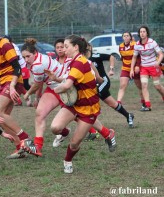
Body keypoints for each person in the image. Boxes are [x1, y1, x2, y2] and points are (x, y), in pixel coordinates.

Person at [21, 35, 116, 173]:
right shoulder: (68, 61)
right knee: (54, 127)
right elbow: (69, 77)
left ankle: (69, 158)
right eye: (60, 47)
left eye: (65, 46)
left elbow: (66, 84)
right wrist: (56, 79)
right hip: (71, 98)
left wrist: (55, 89)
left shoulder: (78, 62)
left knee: (75, 141)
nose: (62, 49)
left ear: (75, 47)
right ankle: (45, 143)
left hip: (85, 102)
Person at [0, 19, 30, 159]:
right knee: (0, 119)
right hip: (4, 83)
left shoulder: (5, 44)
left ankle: (25, 137)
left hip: (13, 81)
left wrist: (11, 86)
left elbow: (17, 67)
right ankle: (20, 147)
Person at [20, 38, 70, 156]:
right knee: (39, 114)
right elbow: (41, 81)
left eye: (28, 56)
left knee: (81, 117)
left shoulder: (38, 64)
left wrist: (27, 94)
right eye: (24, 57)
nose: (26, 59)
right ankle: (37, 146)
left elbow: (37, 84)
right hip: (53, 88)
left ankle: (105, 133)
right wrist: (37, 98)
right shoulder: (37, 59)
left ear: (35, 53)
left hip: (66, 88)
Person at [87, 44, 135, 131]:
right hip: (94, 84)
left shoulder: (95, 56)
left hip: (104, 81)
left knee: (94, 94)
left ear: (90, 48)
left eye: (87, 46)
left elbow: (111, 57)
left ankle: (92, 123)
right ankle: (128, 116)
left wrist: (111, 69)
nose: (86, 48)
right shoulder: (81, 60)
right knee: (112, 104)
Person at [130, 25, 164, 111]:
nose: (142, 33)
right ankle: (148, 105)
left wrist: (158, 62)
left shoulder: (152, 42)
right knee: (144, 85)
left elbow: (161, 54)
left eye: (144, 31)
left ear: (147, 33)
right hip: (144, 68)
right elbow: (134, 57)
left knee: (157, 86)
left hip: (153, 66)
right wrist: (131, 69)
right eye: (140, 32)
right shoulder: (137, 44)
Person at [108, 31, 144, 108]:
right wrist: (117, 58)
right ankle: (118, 103)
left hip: (135, 68)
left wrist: (137, 66)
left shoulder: (135, 45)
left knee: (139, 86)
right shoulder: (120, 46)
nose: (126, 37)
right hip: (125, 68)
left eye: (127, 36)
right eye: (124, 36)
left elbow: (139, 56)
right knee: (122, 85)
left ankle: (143, 102)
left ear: (130, 37)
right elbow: (123, 58)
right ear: (122, 37)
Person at [4, 34, 32, 106]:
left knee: (24, 85)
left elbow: (16, 58)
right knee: (18, 85)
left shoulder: (13, 47)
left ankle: (35, 92)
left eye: (6, 41)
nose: (4, 42)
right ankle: (18, 101)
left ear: (10, 41)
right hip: (16, 69)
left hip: (22, 68)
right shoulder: (6, 47)